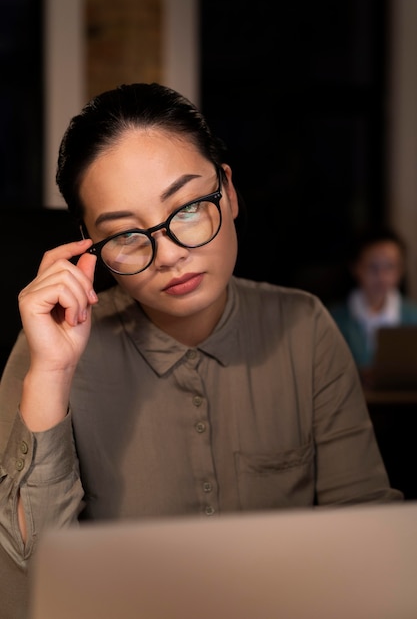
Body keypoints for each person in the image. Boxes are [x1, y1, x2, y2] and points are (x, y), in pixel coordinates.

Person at [0, 83, 402, 617]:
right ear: (89, 247)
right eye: (125, 234)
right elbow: (31, 581)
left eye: (187, 208)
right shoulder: (48, 348)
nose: (167, 255)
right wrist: (50, 374)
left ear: (228, 191)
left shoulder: (304, 328)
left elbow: (369, 543)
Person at [329, 225, 417, 377]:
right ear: (355, 267)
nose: (382, 276)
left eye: (389, 267)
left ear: (400, 270)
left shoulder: (413, 316)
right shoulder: (335, 318)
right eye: (373, 267)